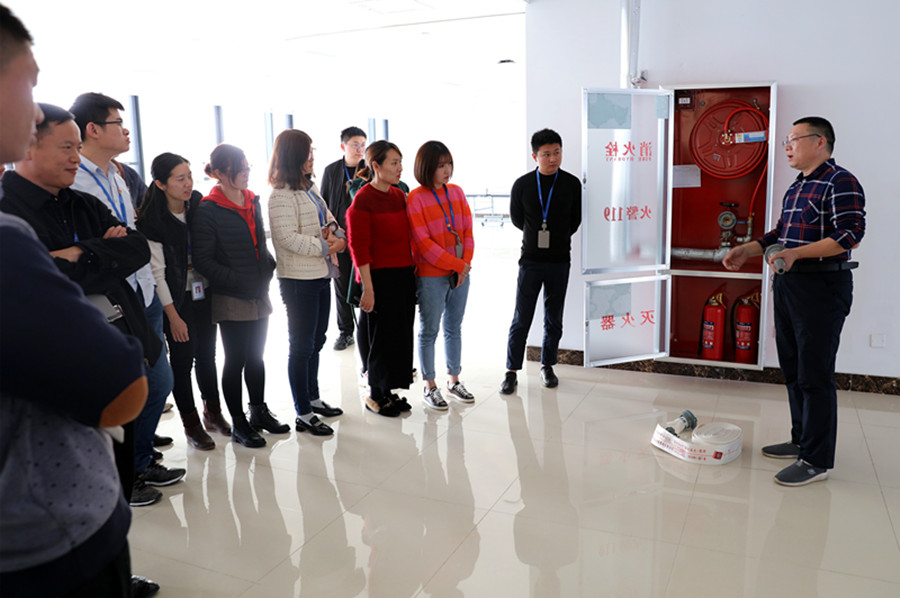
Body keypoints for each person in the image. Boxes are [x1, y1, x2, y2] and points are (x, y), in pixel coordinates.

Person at [723, 116, 866, 486]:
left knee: (815, 373)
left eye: (794, 139)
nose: (787, 146)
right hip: (790, 285)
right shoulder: (798, 187)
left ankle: (816, 461)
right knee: (794, 368)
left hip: (822, 287)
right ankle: (801, 439)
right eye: (786, 140)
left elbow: (850, 233)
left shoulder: (840, 181)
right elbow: (780, 233)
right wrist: (748, 249)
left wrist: (798, 254)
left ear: (820, 142)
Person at [69, 92, 182, 498]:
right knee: (128, 389)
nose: (127, 130)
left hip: (142, 291)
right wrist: (113, 246)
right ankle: (127, 474)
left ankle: (140, 459)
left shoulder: (117, 176)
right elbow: (95, 250)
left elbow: (132, 240)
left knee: (158, 382)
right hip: (110, 302)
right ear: (93, 130)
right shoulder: (76, 182)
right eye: (118, 122)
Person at [192, 143, 286, 448]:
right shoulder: (208, 209)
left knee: (256, 356)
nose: (246, 173)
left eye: (247, 167)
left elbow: (260, 242)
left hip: (258, 289)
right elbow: (203, 260)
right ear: (219, 173)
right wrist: (237, 280)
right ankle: (239, 423)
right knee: (236, 360)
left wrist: (267, 267)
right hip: (230, 295)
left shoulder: (251, 199)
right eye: (239, 169)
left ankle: (258, 411)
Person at [136, 153, 231, 449]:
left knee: (207, 354)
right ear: (161, 184)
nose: (188, 183)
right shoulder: (152, 221)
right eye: (180, 179)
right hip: (175, 299)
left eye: (189, 176)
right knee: (182, 361)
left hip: (204, 291)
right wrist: (173, 316)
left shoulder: (197, 204)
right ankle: (191, 425)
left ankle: (212, 412)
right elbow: (158, 274)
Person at [268, 129, 346, 435]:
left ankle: (313, 398)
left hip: (320, 274)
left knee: (317, 340)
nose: (312, 157)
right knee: (301, 346)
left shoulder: (309, 187)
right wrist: (326, 246)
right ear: (294, 155)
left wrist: (337, 235)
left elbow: (329, 217)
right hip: (298, 280)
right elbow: (286, 239)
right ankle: (303, 412)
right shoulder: (280, 195)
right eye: (307, 152)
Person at [499, 129, 582, 395]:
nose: (553, 158)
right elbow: (517, 220)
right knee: (521, 317)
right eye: (546, 154)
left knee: (553, 318)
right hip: (531, 261)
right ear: (535, 156)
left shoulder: (571, 184)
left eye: (557, 152)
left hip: (560, 261)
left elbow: (575, 221)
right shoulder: (522, 185)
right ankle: (511, 371)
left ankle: (547, 366)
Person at [345, 140, 416, 417]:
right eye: (393, 163)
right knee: (380, 336)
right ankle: (375, 393)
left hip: (403, 273)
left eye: (400, 162)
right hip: (378, 276)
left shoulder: (399, 196)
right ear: (376, 166)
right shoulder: (363, 199)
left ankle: (388, 389)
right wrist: (368, 288)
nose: (399, 168)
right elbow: (359, 247)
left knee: (399, 334)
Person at [407, 141, 476, 410]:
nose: (447, 170)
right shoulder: (416, 198)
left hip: (460, 273)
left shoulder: (456, 192)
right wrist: (457, 265)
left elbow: (468, 231)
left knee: (453, 328)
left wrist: (464, 265)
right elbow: (423, 244)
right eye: (440, 165)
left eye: (449, 164)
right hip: (431, 275)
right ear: (426, 167)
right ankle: (429, 385)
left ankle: (453, 380)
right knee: (429, 331)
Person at [319, 126, 366, 351]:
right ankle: (346, 332)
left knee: (366, 284)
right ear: (343, 146)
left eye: (363, 145)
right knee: (341, 286)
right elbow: (324, 205)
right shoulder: (331, 171)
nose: (360, 149)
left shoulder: (370, 170)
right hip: (341, 240)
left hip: (364, 240)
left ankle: (367, 328)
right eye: (355, 144)